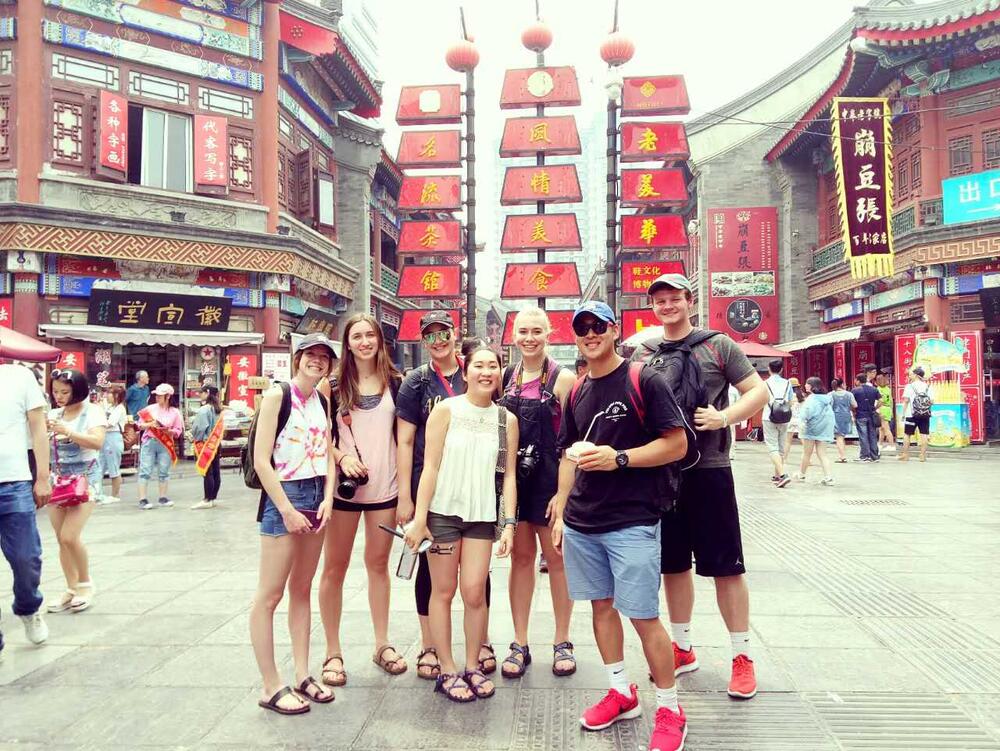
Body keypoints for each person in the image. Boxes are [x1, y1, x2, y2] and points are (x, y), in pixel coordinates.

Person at [552, 301, 692, 751]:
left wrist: (621, 459)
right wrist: (560, 504)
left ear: (615, 330)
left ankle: (670, 708)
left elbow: (677, 443)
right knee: (600, 608)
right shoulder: (574, 390)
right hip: (582, 521)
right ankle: (620, 690)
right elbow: (567, 452)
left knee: (644, 616)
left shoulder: (643, 378)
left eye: (598, 326)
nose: (590, 334)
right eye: (582, 328)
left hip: (632, 520)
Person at [633, 273, 769, 702]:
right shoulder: (645, 351)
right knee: (673, 565)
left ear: (689, 301)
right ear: (652, 305)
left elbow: (757, 391)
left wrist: (724, 418)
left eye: (675, 298)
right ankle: (683, 645)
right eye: (660, 299)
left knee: (726, 566)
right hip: (663, 472)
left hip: (710, 468)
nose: (668, 305)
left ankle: (741, 656)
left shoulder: (719, 345)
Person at [404, 344, 518, 703]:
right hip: (443, 515)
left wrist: (509, 525)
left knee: (474, 590)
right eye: (479, 366)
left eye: (493, 366)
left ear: (500, 373)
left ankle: (472, 664)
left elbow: (510, 476)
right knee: (443, 591)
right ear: (465, 371)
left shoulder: (506, 419)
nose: (486, 372)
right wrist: (420, 518)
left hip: (483, 517)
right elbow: (431, 466)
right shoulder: (446, 410)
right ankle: (448, 668)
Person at [396, 313, 495, 680]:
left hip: (476, 489)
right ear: (424, 341)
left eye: (444, 333)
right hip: (432, 488)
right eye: (430, 335)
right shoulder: (416, 382)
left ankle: (480, 642)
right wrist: (405, 497)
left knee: (477, 576)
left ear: (456, 335)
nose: (438, 340)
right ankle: (430, 646)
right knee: (432, 574)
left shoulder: (476, 372)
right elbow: (405, 440)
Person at [250, 332, 338, 715]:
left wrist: (330, 496)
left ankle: (303, 673)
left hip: (317, 496)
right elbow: (260, 459)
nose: (316, 361)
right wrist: (285, 507)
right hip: (284, 496)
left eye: (324, 357)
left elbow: (330, 452)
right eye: (311, 354)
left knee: (302, 588)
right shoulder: (277, 395)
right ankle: (271, 685)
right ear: (297, 357)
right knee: (270, 595)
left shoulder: (322, 399)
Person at [318, 314, 407, 688]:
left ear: (380, 340)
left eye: (370, 334)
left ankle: (382, 643)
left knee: (378, 565)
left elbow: (406, 438)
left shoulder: (398, 383)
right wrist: (341, 458)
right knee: (334, 568)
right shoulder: (332, 385)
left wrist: (407, 493)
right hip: (343, 493)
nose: (365, 341)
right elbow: (318, 435)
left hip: (385, 489)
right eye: (357, 336)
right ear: (347, 342)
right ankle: (332, 651)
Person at [498, 307, 578, 679]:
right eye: (523, 331)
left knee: (557, 560)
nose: (529, 338)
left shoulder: (564, 380)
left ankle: (563, 640)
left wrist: (563, 496)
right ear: (514, 336)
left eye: (536, 331)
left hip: (550, 482)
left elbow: (574, 443)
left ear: (549, 334)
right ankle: (519, 642)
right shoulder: (504, 378)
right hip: (517, 481)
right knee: (520, 560)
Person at [0, 363, 52, 655]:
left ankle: (28, 607)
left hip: (14, 482)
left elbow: (38, 428)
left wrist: (42, 476)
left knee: (26, 558)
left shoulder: (19, 376)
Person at [47, 369, 106, 614]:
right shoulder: (52, 414)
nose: (59, 396)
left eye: (65, 392)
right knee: (61, 538)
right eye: (56, 391)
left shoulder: (93, 411)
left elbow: (97, 442)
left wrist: (67, 431)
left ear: (78, 390)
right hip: (57, 479)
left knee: (71, 535)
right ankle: (70, 588)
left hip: (85, 478)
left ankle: (85, 584)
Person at [135, 384, 183, 510]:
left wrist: (170, 432)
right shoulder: (150, 409)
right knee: (145, 470)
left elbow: (178, 431)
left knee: (164, 471)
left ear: (167, 396)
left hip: (165, 443)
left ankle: (163, 497)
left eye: (160, 395)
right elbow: (139, 425)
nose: (157, 397)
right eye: (156, 395)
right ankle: (142, 499)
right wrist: (151, 424)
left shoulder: (175, 412)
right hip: (149, 441)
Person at [190, 384, 225, 510]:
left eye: (202, 392)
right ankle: (213, 498)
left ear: (207, 393)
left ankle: (207, 499)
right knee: (216, 471)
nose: (199, 394)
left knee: (207, 472)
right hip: (216, 444)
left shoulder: (204, 409)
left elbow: (199, 429)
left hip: (205, 444)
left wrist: (193, 436)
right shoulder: (219, 409)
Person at [795, 377, 835, 485]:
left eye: (807, 384)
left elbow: (806, 414)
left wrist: (801, 422)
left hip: (811, 429)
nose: (805, 385)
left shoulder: (811, 399)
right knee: (822, 454)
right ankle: (828, 477)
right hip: (824, 428)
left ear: (812, 386)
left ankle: (802, 474)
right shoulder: (827, 399)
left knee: (807, 453)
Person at [762, 359, 792, 487]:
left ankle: (783, 475)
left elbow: (760, 400)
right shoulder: (787, 383)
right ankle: (778, 475)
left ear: (769, 369)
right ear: (781, 370)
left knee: (772, 446)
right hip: (784, 416)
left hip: (769, 416)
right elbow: (790, 400)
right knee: (781, 446)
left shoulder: (764, 384)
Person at [98, 384, 127, 505]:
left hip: (113, 438)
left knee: (114, 467)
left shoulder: (119, 408)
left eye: (109, 393)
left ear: (116, 396)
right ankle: (97, 493)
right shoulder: (108, 407)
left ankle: (115, 495)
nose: (106, 396)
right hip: (104, 437)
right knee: (99, 467)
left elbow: (110, 423)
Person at [900, 366, 932, 462]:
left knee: (907, 434)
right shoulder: (927, 386)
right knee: (924, 434)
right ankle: (922, 455)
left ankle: (905, 455)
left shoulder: (909, 386)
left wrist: (903, 414)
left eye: (912, 374)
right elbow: (932, 401)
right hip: (925, 414)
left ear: (917, 375)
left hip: (911, 414)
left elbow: (906, 400)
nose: (911, 375)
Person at [850, 373, 881, 462]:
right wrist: (875, 408)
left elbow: (853, 404)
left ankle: (865, 456)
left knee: (863, 436)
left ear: (858, 380)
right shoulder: (874, 389)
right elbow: (881, 401)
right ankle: (874, 456)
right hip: (871, 415)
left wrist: (853, 412)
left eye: (856, 380)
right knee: (872, 435)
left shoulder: (855, 391)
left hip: (860, 415)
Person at [829, 378, 856, 463]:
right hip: (846, 416)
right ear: (842, 384)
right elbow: (855, 405)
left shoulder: (831, 394)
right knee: (842, 436)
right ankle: (842, 455)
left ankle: (842, 456)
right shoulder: (849, 394)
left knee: (839, 437)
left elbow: (829, 406)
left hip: (836, 416)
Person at [783, 378, 804, 463]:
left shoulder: (787, 396)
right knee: (804, 441)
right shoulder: (802, 396)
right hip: (800, 420)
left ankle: (784, 459)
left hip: (790, 420)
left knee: (788, 441)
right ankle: (808, 460)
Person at [875, 373, 895, 450]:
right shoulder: (888, 389)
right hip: (888, 409)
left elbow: (878, 401)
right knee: (882, 428)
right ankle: (880, 444)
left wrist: (876, 409)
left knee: (886, 428)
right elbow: (891, 401)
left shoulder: (878, 389)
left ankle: (891, 445)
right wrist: (892, 411)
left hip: (881, 408)